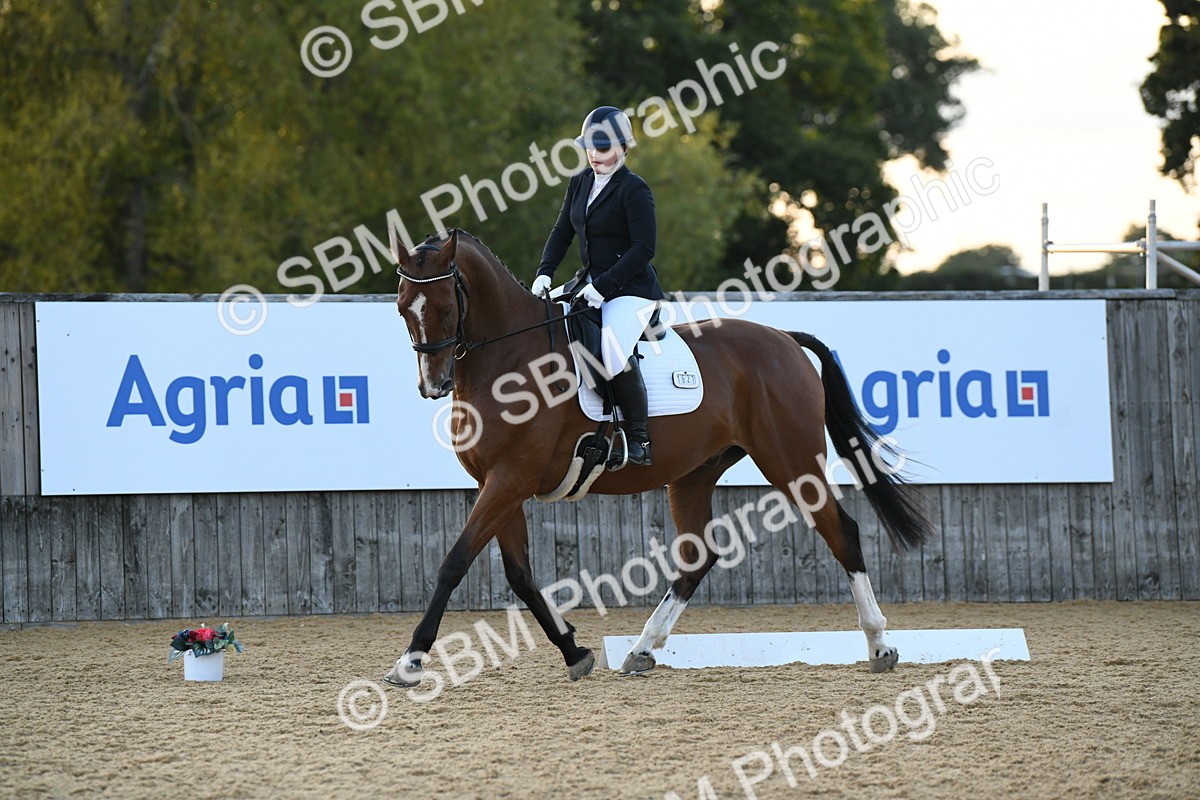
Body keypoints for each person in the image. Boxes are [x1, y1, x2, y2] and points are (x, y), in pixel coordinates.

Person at [532, 106, 665, 466]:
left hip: (631, 290)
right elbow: (562, 231)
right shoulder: (580, 182)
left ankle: (639, 438)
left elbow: (644, 249)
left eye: (603, 148)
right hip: (589, 282)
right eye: (590, 147)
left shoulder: (634, 189)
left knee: (612, 352)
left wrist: (604, 286)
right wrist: (545, 272)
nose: (594, 155)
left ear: (624, 147)